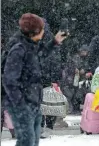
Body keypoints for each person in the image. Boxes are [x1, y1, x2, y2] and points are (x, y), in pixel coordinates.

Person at [2, 13, 66, 146]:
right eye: (42, 29)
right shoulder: (18, 49)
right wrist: (20, 105)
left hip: (33, 101)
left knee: (33, 139)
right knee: (27, 141)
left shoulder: (29, 45)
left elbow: (41, 54)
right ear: (35, 31)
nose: (44, 32)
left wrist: (55, 41)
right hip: (23, 104)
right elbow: (9, 81)